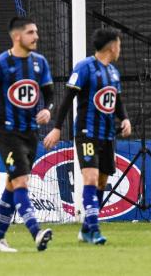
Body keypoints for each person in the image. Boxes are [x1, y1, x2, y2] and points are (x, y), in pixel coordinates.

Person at [0, 17, 54, 252]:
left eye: (36, 32)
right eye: (31, 33)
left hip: (31, 134)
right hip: (7, 133)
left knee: (12, 185)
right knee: (21, 181)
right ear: (17, 36)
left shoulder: (40, 63)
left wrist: (47, 109)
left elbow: (50, 94)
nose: (36, 37)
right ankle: (36, 232)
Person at [43, 27, 131, 245]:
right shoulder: (84, 67)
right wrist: (57, 127)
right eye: (119, 44)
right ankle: (94, 230)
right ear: (112, 46)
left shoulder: (113, 72)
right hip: (86, 133)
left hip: (108, 135)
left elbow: (116, 101)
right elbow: (67, 98)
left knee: (102, 181)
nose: (120, 49)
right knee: (90, 178)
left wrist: (125, 118)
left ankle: (85, 229)